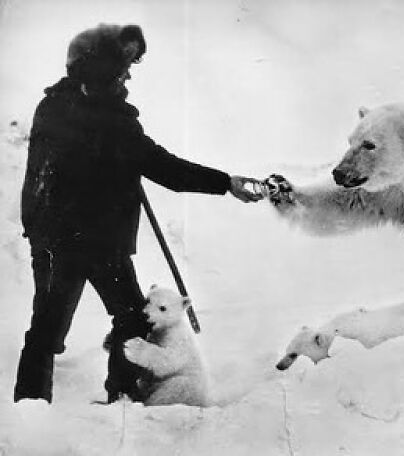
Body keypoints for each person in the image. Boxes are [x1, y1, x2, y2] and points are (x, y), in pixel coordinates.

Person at [14, 23, 263, 404]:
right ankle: (103, 403)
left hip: (76, 245)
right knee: (105, 323)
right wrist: (226, 182)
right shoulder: (112, 121)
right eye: (122, 67)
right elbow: (167, 169)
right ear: (100, 70)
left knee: (86, 326)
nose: (129, 74)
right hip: (78, 246)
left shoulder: (56, 107)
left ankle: (94, 405)